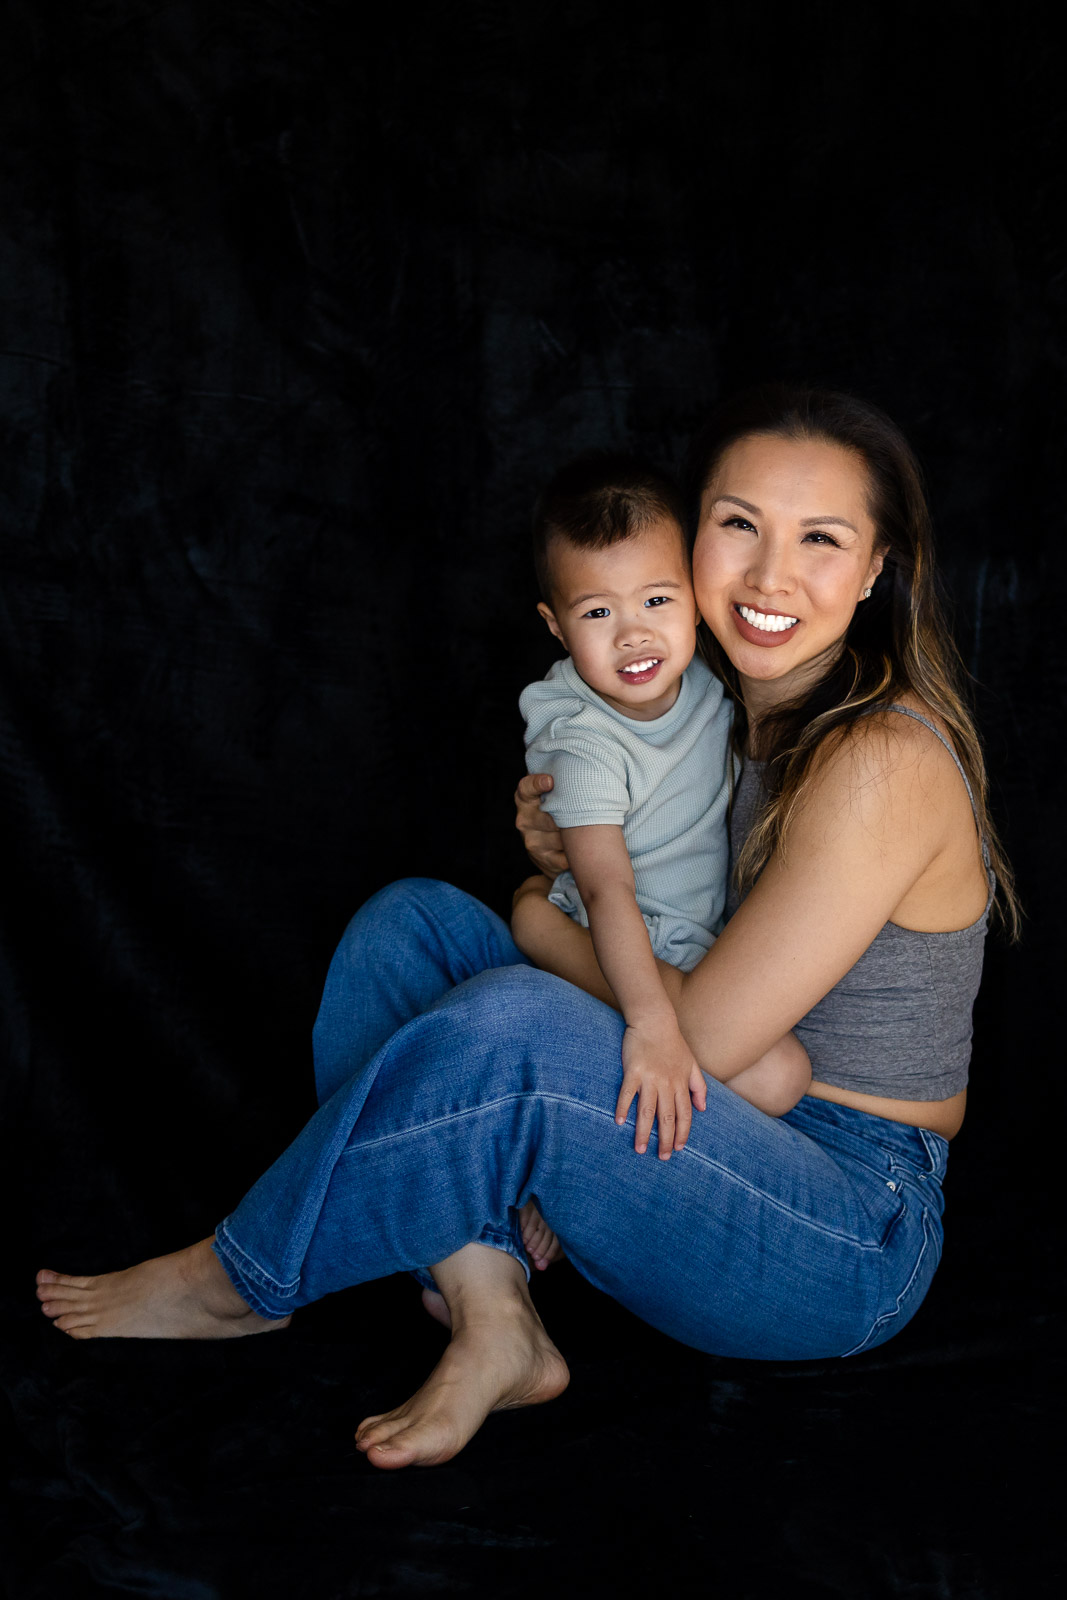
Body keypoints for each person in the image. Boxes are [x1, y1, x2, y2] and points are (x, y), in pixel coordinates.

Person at [36, 385, 1018, 1476]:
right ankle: (493, 1309)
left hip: (843, 1226)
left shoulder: (880, 756)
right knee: (405, 930)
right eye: (736, 523)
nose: (767, 575)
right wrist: (564, 860)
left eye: (820, 539)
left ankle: (241, 1280)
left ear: (879, 566)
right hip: (714, 1119)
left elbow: (693, 1038)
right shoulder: (726, 703)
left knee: (514, 1014)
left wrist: (531, 917)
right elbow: (657, 910)